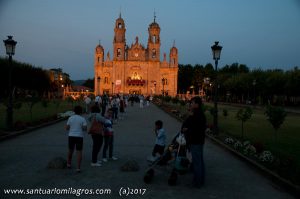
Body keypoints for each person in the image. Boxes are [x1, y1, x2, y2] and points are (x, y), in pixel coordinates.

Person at [181, 96, 207, 188]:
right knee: (199, 161)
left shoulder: (198, 115)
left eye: (192, 103)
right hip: (198, 141)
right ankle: (200, 180)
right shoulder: (196, 114)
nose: (190, 104)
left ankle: (197, 182)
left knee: (197, 162)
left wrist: (186, 130)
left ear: (197, 104)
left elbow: (195, 129)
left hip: (196, 141)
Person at [65, 106, 87, 173]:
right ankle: (78, 168)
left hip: (71, 136)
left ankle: (68, 164)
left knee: (70, 150)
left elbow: (67, 128)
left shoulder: (70, 118)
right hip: (79, 136)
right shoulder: (82, 119)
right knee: (79, 152)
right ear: (81, 111)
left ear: (74, 111)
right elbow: (85, 129)